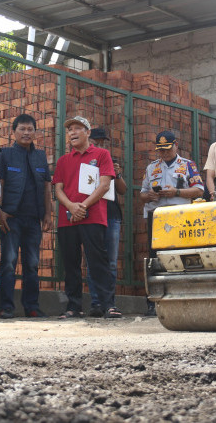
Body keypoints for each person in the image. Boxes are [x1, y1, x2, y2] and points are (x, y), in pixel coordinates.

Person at [52, 116, 120, 319]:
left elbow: (105, 184)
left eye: (78, 128)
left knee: (98, 261)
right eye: (70, 129)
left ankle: (109, 305)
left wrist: (83, 206)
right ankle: (73, 306)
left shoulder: (101, 154)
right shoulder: (63, 160)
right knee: (71, 264)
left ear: (88, 132)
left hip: (93, 217)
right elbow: (58, 189)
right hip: (67, 218)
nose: (72, 132)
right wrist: (72, 207)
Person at [140, 131, 204, 315]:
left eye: (167, 149)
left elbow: (199, 190)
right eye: (160, 150)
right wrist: (150, 195)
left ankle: (183, 299)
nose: (164, 153)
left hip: (179, 215)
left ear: (176, 145)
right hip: (157, 216)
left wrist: (176, 192)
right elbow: (142, 194)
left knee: (181, 257)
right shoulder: (152, 168)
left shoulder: (187, 165)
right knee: (155, 259)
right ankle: (154, 302)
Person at [0, 114, 52, 319]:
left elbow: (47, 187)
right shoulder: (5, 155)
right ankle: (7, 307)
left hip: (33, 219)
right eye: (22, 129)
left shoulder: (40, 157)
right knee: (9, 261)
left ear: (35, 132)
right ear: (14, 131)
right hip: (10, 218)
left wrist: (48, 213)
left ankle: (32, 307)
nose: (26, 133)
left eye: (30, 129)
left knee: (32, 263)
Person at [85, 128, 127, 318]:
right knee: (93, 260)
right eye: (97, 141)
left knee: (110, 261)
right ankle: (96, 302)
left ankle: (110, 303)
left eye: (104, 141)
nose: (101, 145)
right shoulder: (84, 161)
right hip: (92, 214)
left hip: (111, 214)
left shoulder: (111, 160)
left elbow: (123, 190)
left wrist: (117, 174)